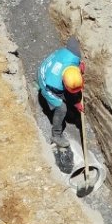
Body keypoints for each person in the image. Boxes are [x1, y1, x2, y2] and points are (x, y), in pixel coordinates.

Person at [37, 36, 84, 173]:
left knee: (68, 99)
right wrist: (75, 102)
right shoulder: (54, 82)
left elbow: (72, 40)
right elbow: (62, 94)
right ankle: (56, 135)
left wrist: (79, 64)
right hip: (45, 81)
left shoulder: (73, 54)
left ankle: (70, 104)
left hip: (60, 67)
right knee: (61, 108)